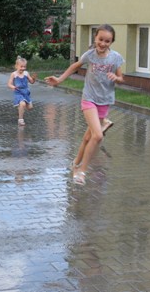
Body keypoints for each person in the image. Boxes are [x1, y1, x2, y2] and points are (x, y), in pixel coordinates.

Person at [46, 24, 124, 185]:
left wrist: (116, 79)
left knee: (88, 137)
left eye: (107, 41)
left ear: (111, 42)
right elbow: (75, 66)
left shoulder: (115, 58)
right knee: (98, 135)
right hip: (89, 99)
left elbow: (121, 78)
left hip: (105, 101)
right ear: (95, 38)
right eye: (100, 39)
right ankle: (81, 170)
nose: (103, 43)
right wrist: (59, 80)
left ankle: (75, 163)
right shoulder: (90, 55)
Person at [7, 56, 37, 125]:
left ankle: (20, 108)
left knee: (30, 107)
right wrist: (13, 87)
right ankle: (20, 119)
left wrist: (34, 78)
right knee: (22, 104)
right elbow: (9, 84)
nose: (23, 68)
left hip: (26, 92)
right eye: (21, 67)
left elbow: (31, 82)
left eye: (24, 67)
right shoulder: (14, 74)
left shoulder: (26, 73)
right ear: (16, 66)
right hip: (18, 92)